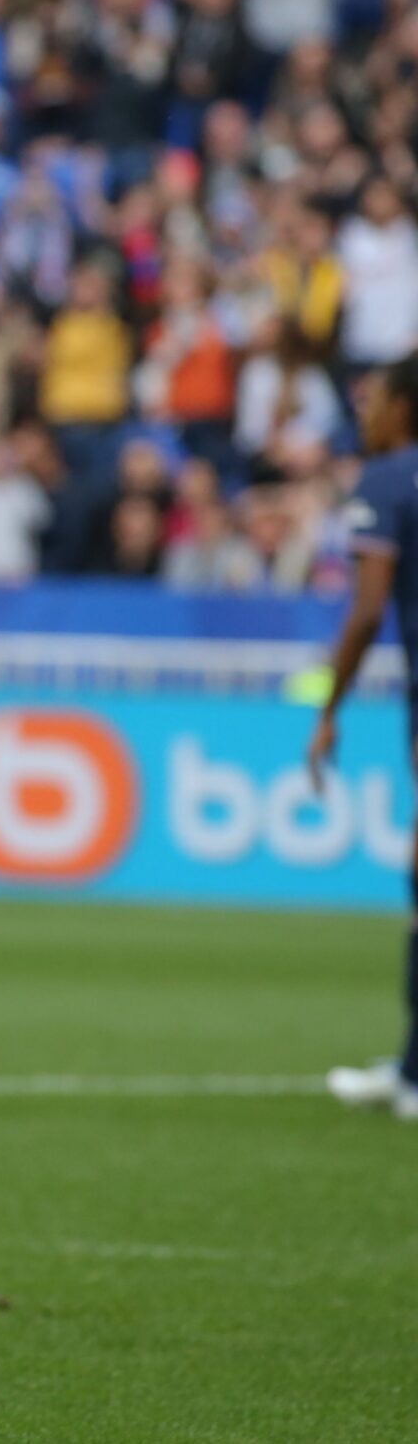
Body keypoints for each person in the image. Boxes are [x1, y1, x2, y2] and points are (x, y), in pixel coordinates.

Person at [309, 359, 418, 1119]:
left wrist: (330, 703)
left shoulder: (386, 480)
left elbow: (366, 611)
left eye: (376, 400)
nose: (367, 413)